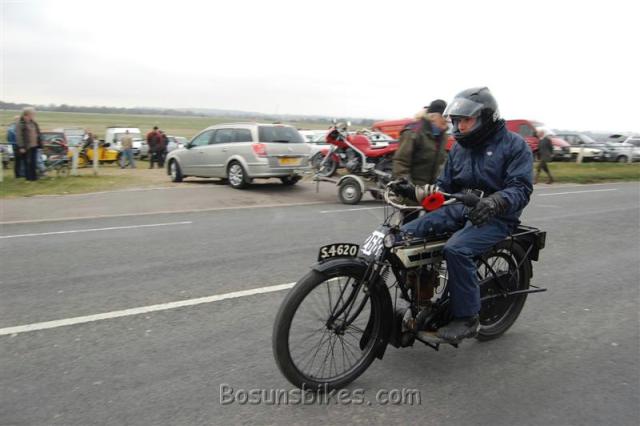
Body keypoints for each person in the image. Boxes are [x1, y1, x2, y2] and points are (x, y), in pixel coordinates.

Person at [392, 87, 533, 343]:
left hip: (498, 216)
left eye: (466, 120)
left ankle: (468, 318)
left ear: (486, 117)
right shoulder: (459, 148)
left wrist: (494, 202)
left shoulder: (515, 145)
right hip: (459, 207)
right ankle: (421, 299)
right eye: (456, 121)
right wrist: (415, 192)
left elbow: (521, 188)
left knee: (457, 249)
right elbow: (444, 188)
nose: (459, 127)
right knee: (404, 236)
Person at [392, 99, 449, 187]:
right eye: (444, 117)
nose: (447, 120)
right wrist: (406, 186)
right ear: (433, 117)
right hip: (412, 188)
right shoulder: (413, 132)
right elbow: (401, 162)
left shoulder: (442, 135)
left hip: (430, 189)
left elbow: (441, 163)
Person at [14, 107, 42, 181]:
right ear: (26, 115)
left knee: (33, 162)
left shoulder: (33, 123)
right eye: (32, 114)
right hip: (26, 146)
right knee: (27, 162)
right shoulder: (20, 124)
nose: (33, 116)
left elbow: (37, 133)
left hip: (34, 146)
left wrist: (39, 141)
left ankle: (34, 177)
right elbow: (19, 136)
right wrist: (21, 147)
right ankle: (29, 178)